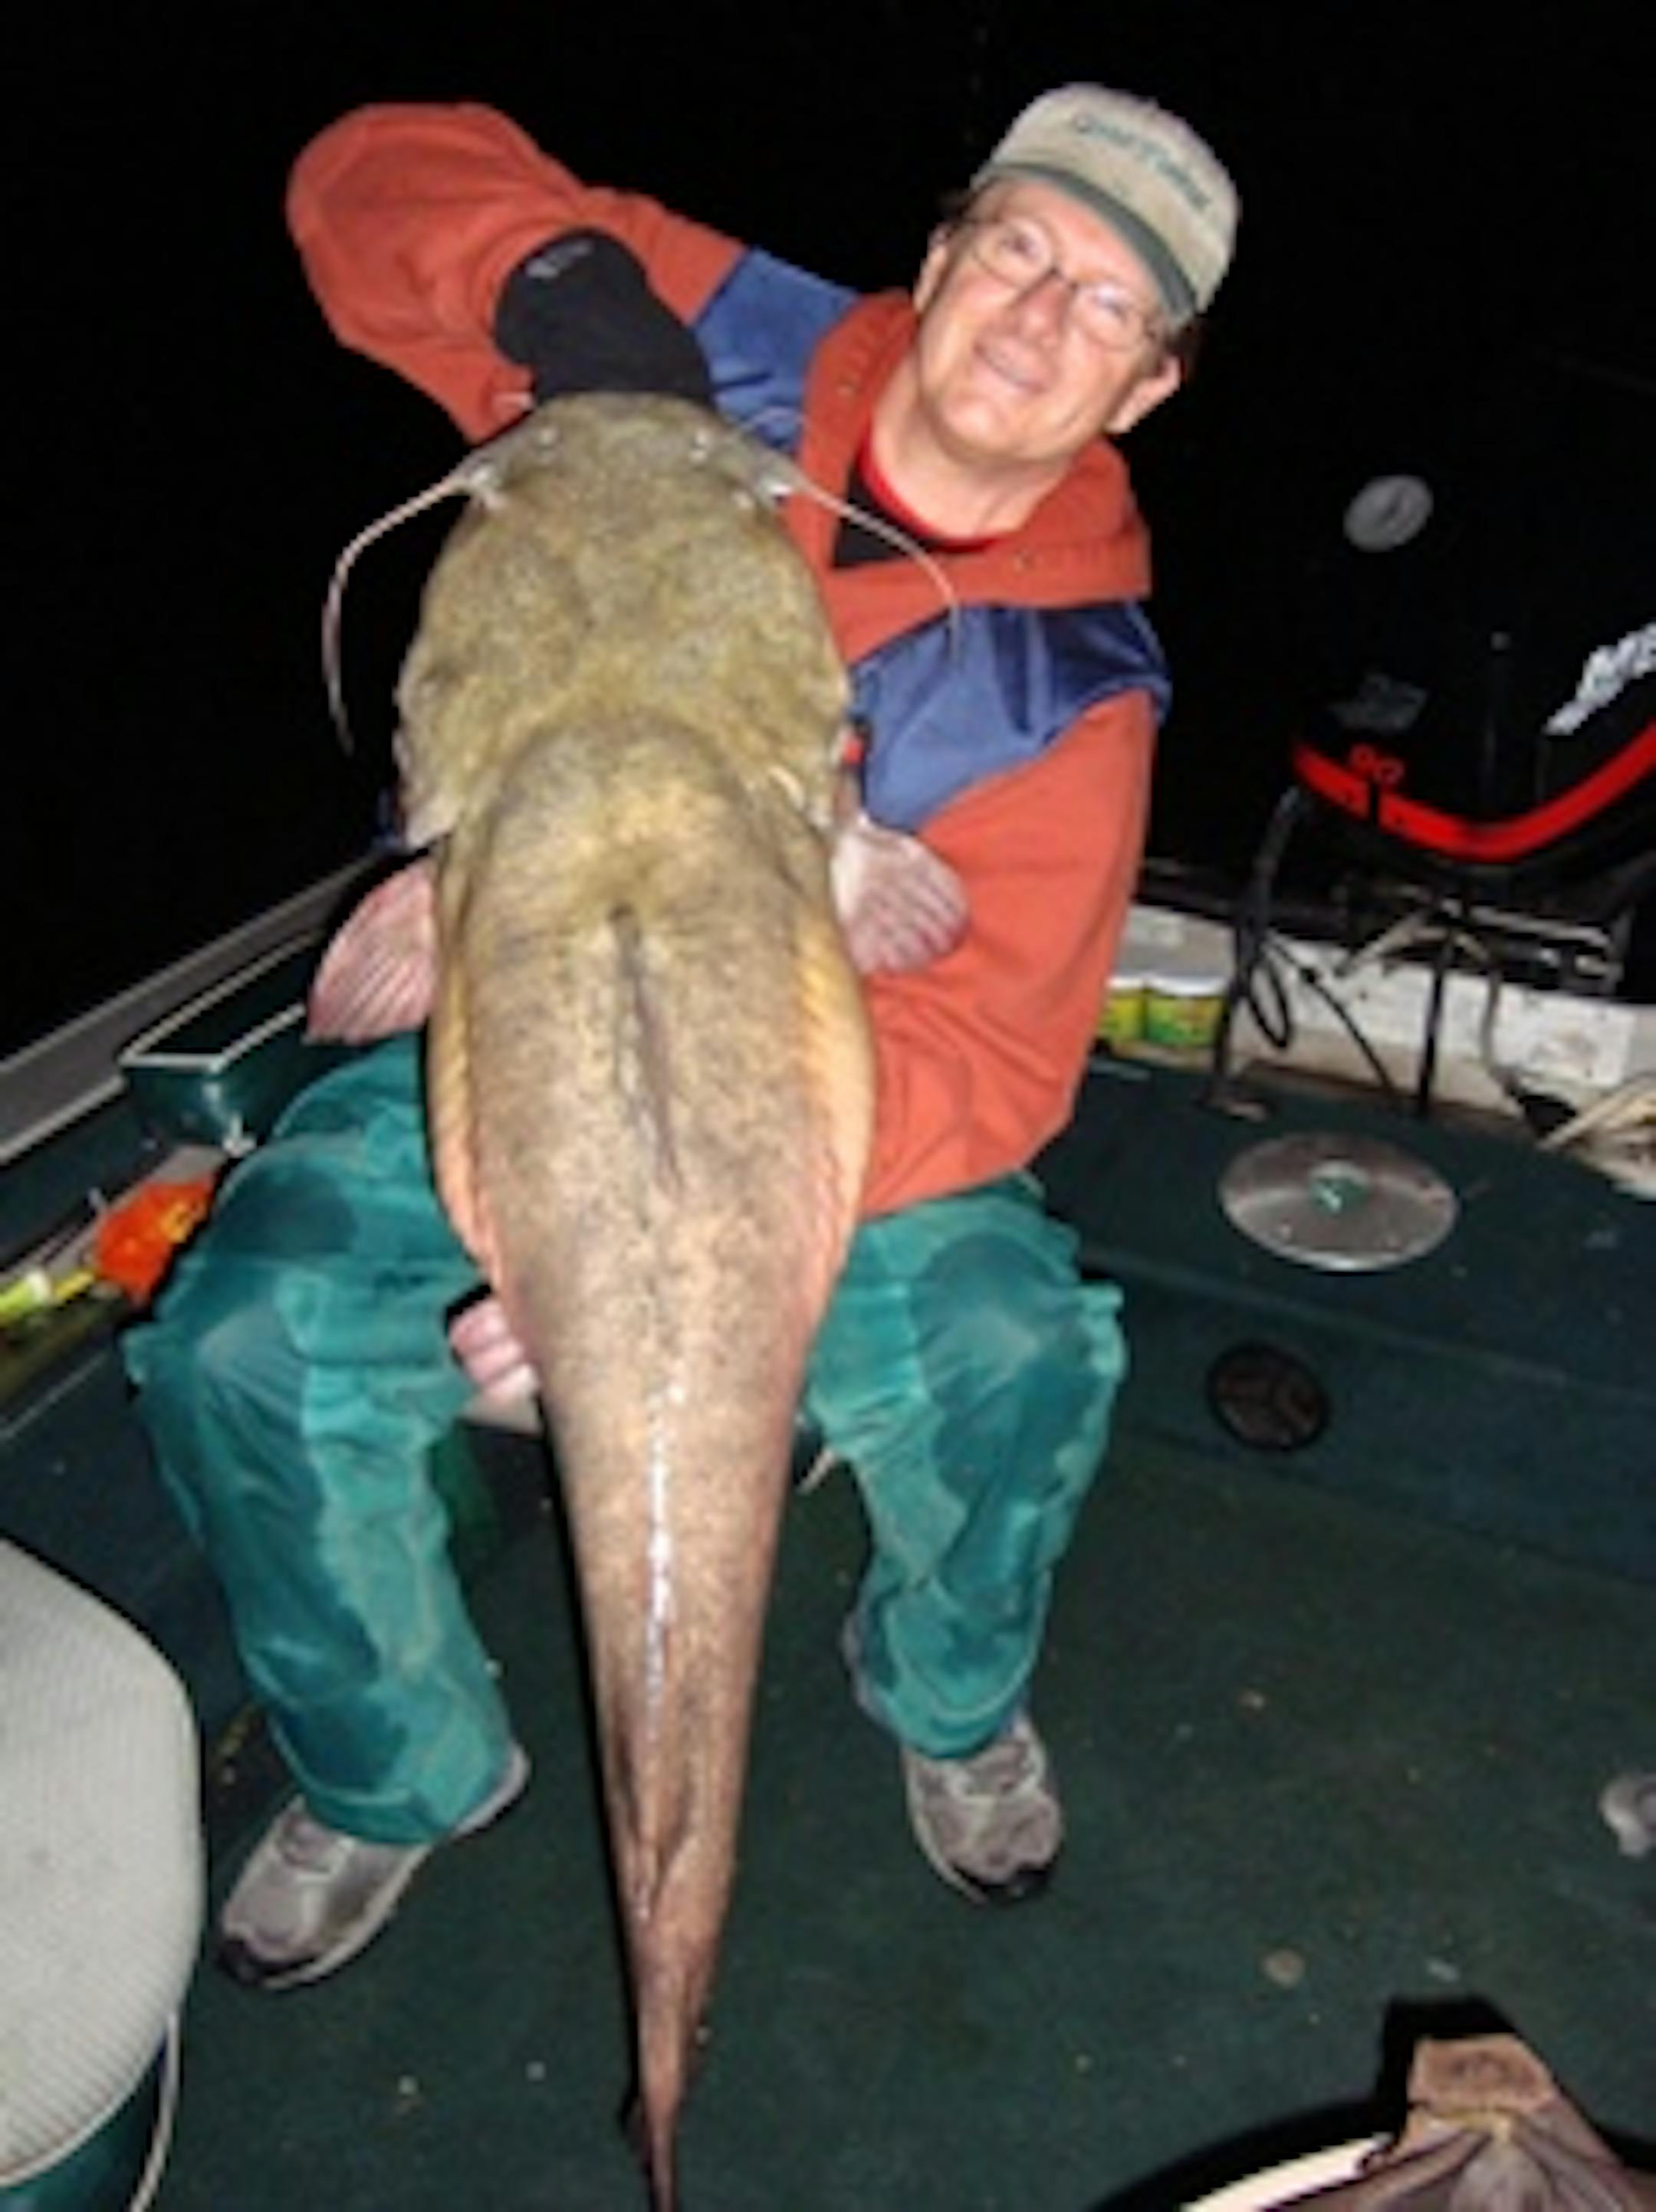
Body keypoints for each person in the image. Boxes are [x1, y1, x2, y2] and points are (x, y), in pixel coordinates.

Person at [126, 82, 1237, 1987]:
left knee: (1021, 1352)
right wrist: (565, 295)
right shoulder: (681, 360)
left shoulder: (1076, 689)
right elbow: (355, 175)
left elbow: (996, 1066)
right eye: (1024, 248)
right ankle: (398, 1771)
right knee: (241, 1336)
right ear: (945, 245)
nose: (1045, 313)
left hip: (830, 1117)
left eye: (1113, 306)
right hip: (495, 1014)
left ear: (1147, 387)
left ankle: (949, 1705)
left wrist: (675, 1253)